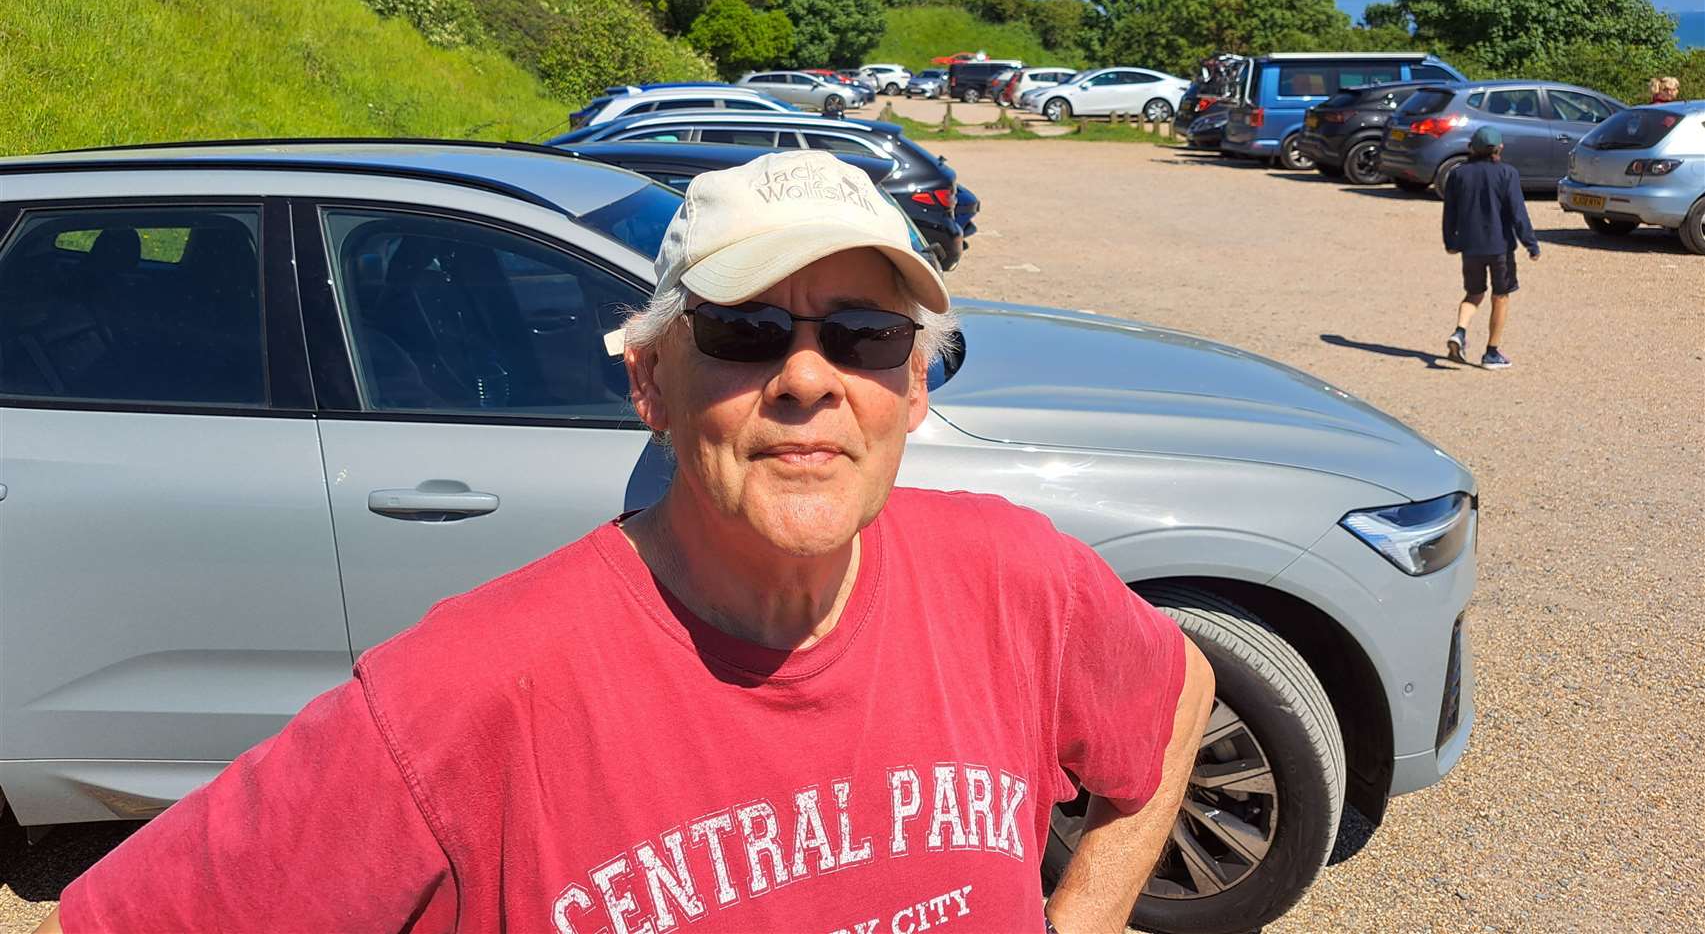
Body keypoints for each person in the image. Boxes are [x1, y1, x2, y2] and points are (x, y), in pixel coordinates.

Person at [40, 150, 1214, 934]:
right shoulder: (465, 698)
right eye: (744, 329)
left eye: (861, 335)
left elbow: (1172, 696)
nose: (807, 379)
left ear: (911, 386)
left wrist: (1085, 916)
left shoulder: (1015, 577)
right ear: (649, 380)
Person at [1443, 126, 1540, 369]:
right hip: (1500, 247)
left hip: (1470, 246)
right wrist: (1530, 243)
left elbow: (1449, 212)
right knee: (1501, 296)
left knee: (1474, 294)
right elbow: (1518, 212)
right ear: (1499, 148)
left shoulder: (1458, 174)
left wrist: (1451, 242)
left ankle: (1460, 332)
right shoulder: (1508, 173)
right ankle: (1491, 353)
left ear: (1471, 148)